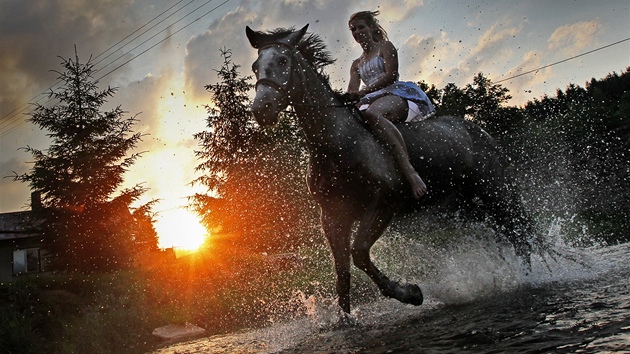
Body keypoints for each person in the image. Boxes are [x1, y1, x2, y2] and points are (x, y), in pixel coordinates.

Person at [344, 10, 435, 200]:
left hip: (394, 92)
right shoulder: (355, 64)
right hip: (368, 98)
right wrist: (346, 98)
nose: (357, 32)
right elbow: (353, 91)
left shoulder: (385, 46)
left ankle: (411, 173)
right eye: (353, 29)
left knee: (373, 114)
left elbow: (390, 75)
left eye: (361, 27)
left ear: (372, 28)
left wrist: (364, 92)